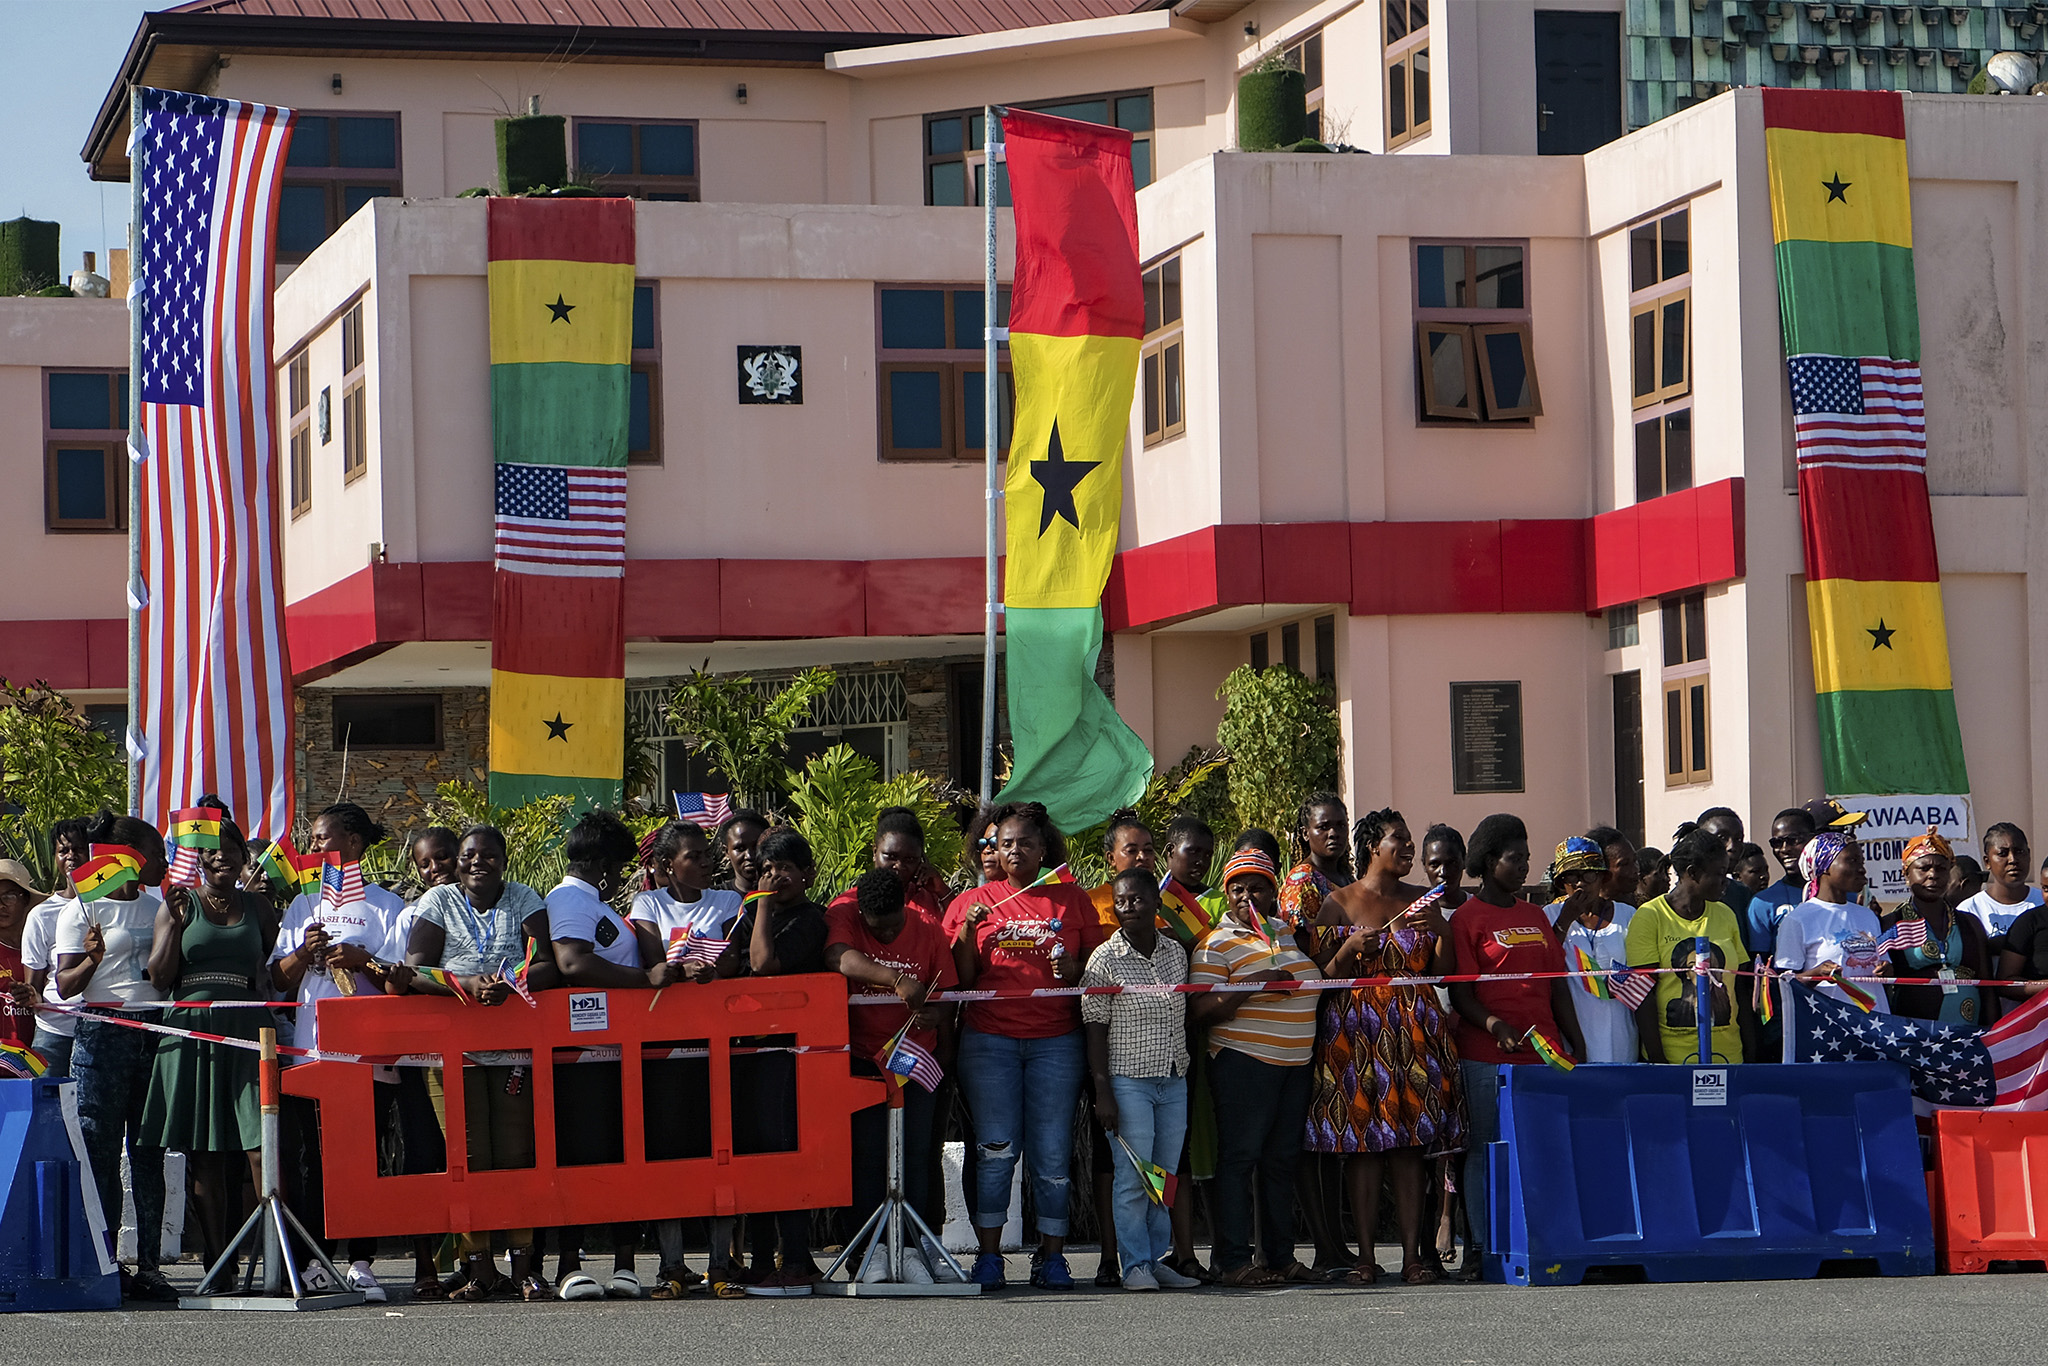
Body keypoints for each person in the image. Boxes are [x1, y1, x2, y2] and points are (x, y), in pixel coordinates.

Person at [1306, 808, 1464, 1286]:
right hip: (1355, 1037)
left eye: (1410, 839)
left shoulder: (1423, 901)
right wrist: (1348, 949)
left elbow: (1441, 973)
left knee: (1410, 1149)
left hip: (1414, 1034)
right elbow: (1318, 980)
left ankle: (1414, 1257)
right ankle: (1366, 1257)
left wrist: (1441, 929)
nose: (1410, 847)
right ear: (1373, 846)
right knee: (1363, 1148)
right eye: (1400, 838)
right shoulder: (1337, 904)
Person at [944, 801, 1099, 1291]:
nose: (1014, 851)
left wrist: (1074, 971)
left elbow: (1095, 963)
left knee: (1052, 1156)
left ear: (1043, 848)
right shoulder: (973, 900)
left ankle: (1052, 1257)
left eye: (1024, 842)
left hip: (1057, 1042)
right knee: (995, 1150)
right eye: (1004, 843)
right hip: (990, 1042)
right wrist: (968, 929)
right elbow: (961, 978)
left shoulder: (1071, 900)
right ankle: (988, 1258)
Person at [407, 824, 557, 1301]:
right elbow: (414, 969)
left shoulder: (524, 898)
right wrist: (466, 983)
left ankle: (524, 1269)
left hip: (516, 1049)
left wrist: (511, 982)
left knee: (516, 1155)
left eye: (489, 855)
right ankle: (478, 1269)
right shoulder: (437, 903)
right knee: (468, 1160)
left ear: (503, 861)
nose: (477, 863)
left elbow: (549, 963)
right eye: (469, 855)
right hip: (454, 1052)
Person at [270, 802, 407, 1302]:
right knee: (311, 1159)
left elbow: (401, 983)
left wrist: (363, 960)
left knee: (362, 1156)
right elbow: (276, 981)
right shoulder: (303, 905)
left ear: (352, 843)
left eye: (322, 838)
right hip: (310, 1053)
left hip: (367, 1055)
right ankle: (313, 1260)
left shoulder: (389, 907)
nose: (313, 849)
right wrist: (304, 952)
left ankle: (362, 1261)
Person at [140, 818, 278, 1273]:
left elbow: (274, 976)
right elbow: (160, 978)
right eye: (210, 849)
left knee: (261, 1146)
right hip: (193, 1031)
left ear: (243, 856)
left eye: (230, 848)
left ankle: (271, 1260)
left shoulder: (259, 907)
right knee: (207, 1155)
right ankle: (219, 1264)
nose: (221, 855)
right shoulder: (179, 904)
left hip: (249, 1030)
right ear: (197, 857)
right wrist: (177, 924)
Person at [1445, 814, 1583, 1268]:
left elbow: (1556, 984)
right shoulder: (1466, 918)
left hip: (1542, 1055)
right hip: (1486, 1057)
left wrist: (1573, 1040)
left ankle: (1536, 1239)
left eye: (1526, 856)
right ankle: (1481, 1248)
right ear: (1488, 862)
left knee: (1537, 1147)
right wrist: (1494, 1026)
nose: (1525, 865)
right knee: (1485, 1149)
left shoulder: (1535, 915)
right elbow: (1461, 993)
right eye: (1515, 857)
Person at [544, 810, 662, 1301]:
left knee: (622, 1149)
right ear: (599, 862)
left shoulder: (593, 901)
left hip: (618, 1049)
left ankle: (624, 1261)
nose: (622, 874)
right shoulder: (571, 898)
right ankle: (570, 1263)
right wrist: (646, 981)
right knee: (582, 1151)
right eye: (617, 863)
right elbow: (573, 962)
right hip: (585, 1052)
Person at [56, 814, 175, 1300]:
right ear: (126, 852)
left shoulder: (159, 906)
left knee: (148, 1154)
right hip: (101, 1037)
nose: (163, 860)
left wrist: (175, 926)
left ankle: (149, 1267)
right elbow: (65, 987)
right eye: (154, 850)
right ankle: (106, 1263)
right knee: (101, 1156)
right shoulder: (80, 911)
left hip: (155, 1033)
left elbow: (167, 976)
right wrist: (92, 959)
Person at [622, 817, 741, 1298]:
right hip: (663, 1053)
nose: (707, 861)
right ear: (666, 866)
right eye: (694, 856)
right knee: (668, 1153)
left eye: (708, 853)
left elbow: (735, 957)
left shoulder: (728, 901)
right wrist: (677, 967)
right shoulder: (648, 903)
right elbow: (654, 963)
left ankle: (720, 1265)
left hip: (718, 1046)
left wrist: (714, 966)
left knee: (721, 1153)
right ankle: (671, 1266)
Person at [715, 826, 832, 1296]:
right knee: (755, 1153)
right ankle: (763, 1259)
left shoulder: (812, 920)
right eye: (765, 868)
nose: (773, 875)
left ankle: (798, 1258)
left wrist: (760, 904)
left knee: (783, 1150)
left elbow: (763, 966)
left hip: (788, 1055)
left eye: (784, 867)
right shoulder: (747, 916)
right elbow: (728, 965)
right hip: (746, 1050)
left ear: (807, 874)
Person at [828, 866, 957, 1282]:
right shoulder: (845, 910)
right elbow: (838, 957)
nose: (884, 936)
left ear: (905, 908)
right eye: (876, 929)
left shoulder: (929, 929)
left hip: (910, 1058)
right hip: (863, 1056)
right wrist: (896, 979)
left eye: (892, 927)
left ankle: (914, 1249)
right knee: (866, 1156)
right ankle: (868, 1252)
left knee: (916, 1154)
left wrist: (937, 1014)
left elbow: (949, 996)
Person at [1081, 869, 1198, 1292]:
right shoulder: (1103, 959)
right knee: (1132, 1178)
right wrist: (1103, 1091)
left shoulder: (1175, 954)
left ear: (1157, 904)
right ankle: (1134, 1266)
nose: (1127, 908)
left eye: (1137, 900)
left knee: (1163, 1177)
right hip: (1127, 1081)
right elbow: (1094, 1026)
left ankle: (1156, 1257)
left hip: (1173, 1079)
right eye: (1121, 901)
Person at [1080, 808, 1156, 1283]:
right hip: (1105, 1050)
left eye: (1149, 849)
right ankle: (1114, 1256)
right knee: (1116, 1161)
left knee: (1162, 1164)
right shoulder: (1093, 906)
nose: (1144, 856)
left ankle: (1159, 1255)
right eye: (1133, 850)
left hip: (1165, 1061)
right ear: (1111, 859)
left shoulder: (1168, 903)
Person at [1627, 828, 1753, 1064]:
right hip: (1673, 1058)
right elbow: (1643, 996)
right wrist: (1657, 1059)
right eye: (1719, 874)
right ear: (1693, 873)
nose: (1726, 882)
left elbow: (1741, 989)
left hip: (1729, 1056)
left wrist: (1752, 1051)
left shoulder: (1725, 914)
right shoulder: (1650, 917)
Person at [1775, 832, 1892, 1014]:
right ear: (1825, 867)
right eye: (1852, 861)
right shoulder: (1798, 919)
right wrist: (1816, 973)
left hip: (1873, 1027)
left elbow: (1884, 966)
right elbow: (1785, 985)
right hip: (1830, 1029)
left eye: (1861, 862)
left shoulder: (1868, 916)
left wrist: (1886, 970)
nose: (1862, 869)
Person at [1547, 836, 1638, 1064]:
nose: (1580, 884)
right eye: (1572, 877)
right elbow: (1544, 964)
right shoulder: (1548, 915)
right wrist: (1564, 921)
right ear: (1561, 882)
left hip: (1622, 1038)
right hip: (1575, 1040)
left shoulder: (1628, 916)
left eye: (1589, 875)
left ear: (1602, 878)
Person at [1886, 829, 1989, 1027]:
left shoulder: (1970, 923)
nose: (1933, 875)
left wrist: (1994, 1034)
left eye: (1941, 869)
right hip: (1912, 1036)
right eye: (1923, 869)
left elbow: (1987, 987)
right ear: (1906, 874)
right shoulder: (1891, 924)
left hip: (1967, 1037)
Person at [22, 818, 89, 1074]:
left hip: (105, 1032)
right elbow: (34, 987)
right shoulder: (41, 915)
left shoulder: (113, 906)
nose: (71, 856)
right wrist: (28, 996)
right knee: (49, 1109)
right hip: (55, 1034)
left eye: (79, 849)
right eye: (64, 851)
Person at [1745, 807, 1816, 958]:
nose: (1784, 849)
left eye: (1793, 840)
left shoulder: (1845, 895)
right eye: (1776, 843)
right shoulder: (1763, 903)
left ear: (1813, 839)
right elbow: (1761, 966)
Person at [1281, 792, 1352, 928]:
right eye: (1323, 827)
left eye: (1341, 826)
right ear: (1305, 833)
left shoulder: (1345, 876)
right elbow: (1302, 943)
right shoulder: (1302, 880)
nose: (1333, 833)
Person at [1962, 823, 2039, 945]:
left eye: (2019, 851)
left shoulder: (2043, 902)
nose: (2013, 859)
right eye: (2002, 854)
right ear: (1987, 862)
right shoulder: (1970, 910)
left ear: (2029, 855)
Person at [1693, 808, 1754, 925]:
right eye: (1722, 838)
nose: (1732, 847)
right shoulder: (1682, 898)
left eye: (1739, 839)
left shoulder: (1743, 894)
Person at [0, 860, 36, 1048]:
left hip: (41, 1053)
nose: (1, 905)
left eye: (9, 896)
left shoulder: (43, 947)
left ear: (25, 899)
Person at [717, 809, 771, 895]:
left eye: (756, 846)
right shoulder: (716, 900)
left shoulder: (784, 895)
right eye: (740, 849)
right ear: (727, 852)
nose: (749, 856)